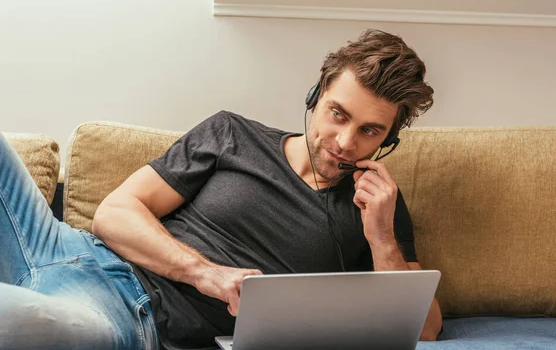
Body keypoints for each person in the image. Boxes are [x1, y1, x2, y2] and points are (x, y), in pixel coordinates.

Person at [0, 29, 441, 349]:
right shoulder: (231, 134)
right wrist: (206, 273)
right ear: (316, 95)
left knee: (21, 324)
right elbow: (113, 214)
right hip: (56, 242)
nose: (345, 142)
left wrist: (381, 235)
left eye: (369, 130)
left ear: (388, 140)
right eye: (338, 114)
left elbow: (425, 328)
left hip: (125, 310)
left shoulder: (378, 204)